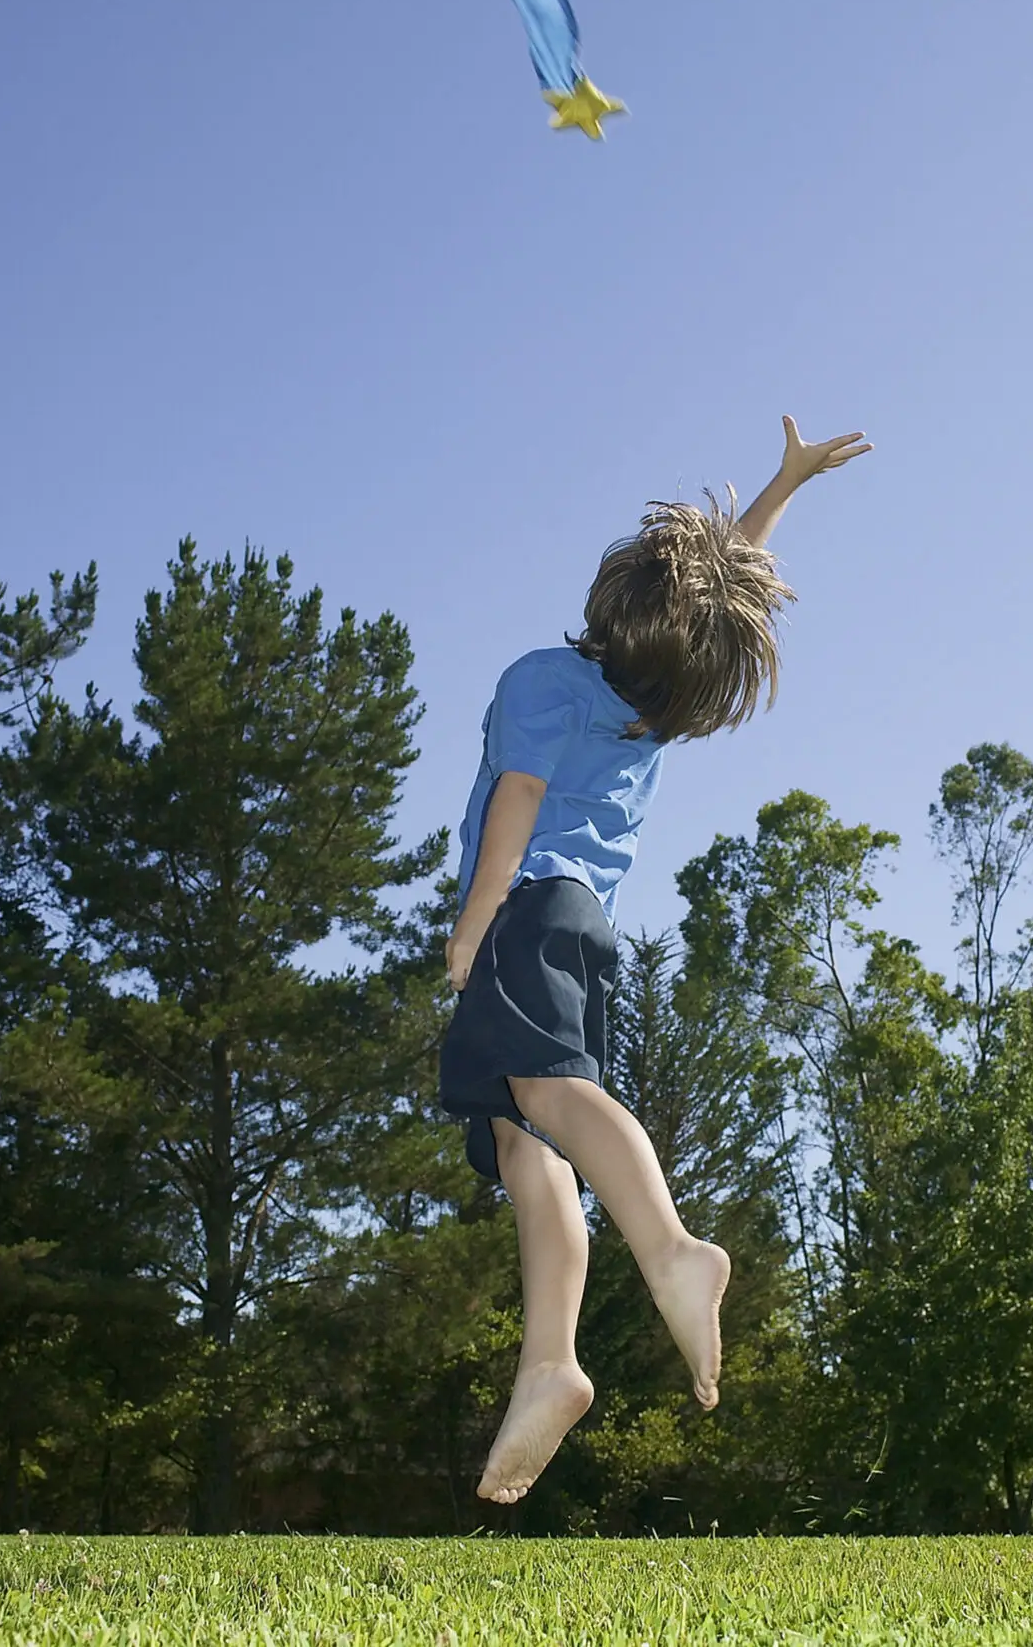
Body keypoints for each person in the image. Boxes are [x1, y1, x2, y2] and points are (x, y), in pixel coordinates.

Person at [440, 416, 873, 1504]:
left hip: (526, 911)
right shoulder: (646, 716)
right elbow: (715, 595)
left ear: (617, 590)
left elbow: (518, 801)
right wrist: (780, 491)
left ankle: (675, 1248)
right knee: (520, 1137)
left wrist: (470, 924)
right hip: (583, 930)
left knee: (551, 1094)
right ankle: (550, 1361)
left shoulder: (545, 678)